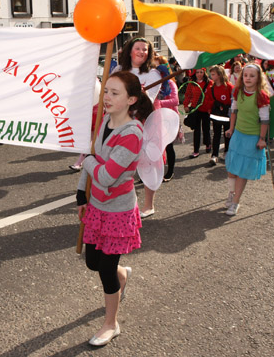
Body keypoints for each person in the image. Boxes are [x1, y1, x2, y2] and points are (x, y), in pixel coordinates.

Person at [76, 71, 153, 347]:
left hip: (119, 210)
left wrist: (88, 162)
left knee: (105, 270)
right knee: (93, 263)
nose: (106, 97)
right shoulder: (104, 121)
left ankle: (111, 324)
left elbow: (106, 175)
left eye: (114, 93)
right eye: (105, 91)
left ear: (131, 99)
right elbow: (92, 157)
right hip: (97, 205)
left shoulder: (132, 134)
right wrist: (80, 195)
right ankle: (123, 273)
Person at [113, 37, 162, 218]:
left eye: (146, 49)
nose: (142, 52)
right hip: (121, 122)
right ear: (129, 51)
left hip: (145, 123)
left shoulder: (153, 75)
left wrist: (141, 95)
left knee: (148, 163)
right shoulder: (119, 70)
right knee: (121, 163)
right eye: (138, 48)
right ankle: (124, 202)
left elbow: (148, 103)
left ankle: (149, 205)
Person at [224, 64, 270, 216]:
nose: (248, 78)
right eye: (246, 75)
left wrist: (262, 139)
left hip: (252, 137)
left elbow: (265, 120)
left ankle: (235, 202)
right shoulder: (238, 91)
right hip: (238, 134)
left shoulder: (261, 95)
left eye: (252, 75)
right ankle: (232, 192)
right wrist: (231, 128)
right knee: (231, 168)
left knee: (242, 172)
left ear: (258, 78)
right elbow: (234, 111)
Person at [153, 54, 179, 181]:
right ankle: (152, 172)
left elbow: (175, 100)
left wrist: (158, 103)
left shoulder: (170, 84)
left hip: (169, 118)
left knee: (168, 146)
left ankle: (170, 171)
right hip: (156, 117)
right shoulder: (154, 84)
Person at [183, 68, 213, 159]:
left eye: (201, 72)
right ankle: (196, 150)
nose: (199, 74)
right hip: (195, 108)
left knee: (206, 128)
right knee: (196, 130)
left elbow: (212, 96)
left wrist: (210, 108)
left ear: (204, 73)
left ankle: (208, 143)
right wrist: (185, 105)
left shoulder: (209, 82)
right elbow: (188, 95)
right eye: (197, 72)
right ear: (194, 73)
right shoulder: (191, 83)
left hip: (206, 109)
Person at [208, 65, 233, 165]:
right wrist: (215, 105)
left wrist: (227, 106)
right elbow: (209, 100)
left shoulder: (229, 86)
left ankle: (227, 151)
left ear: (219, 75)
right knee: (216, 135)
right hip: (216, 115)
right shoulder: (212, 88)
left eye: (213, 74)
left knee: (227, 134)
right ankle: (214, 155)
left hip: (227, 114)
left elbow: (234, 100)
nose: (211, 76)